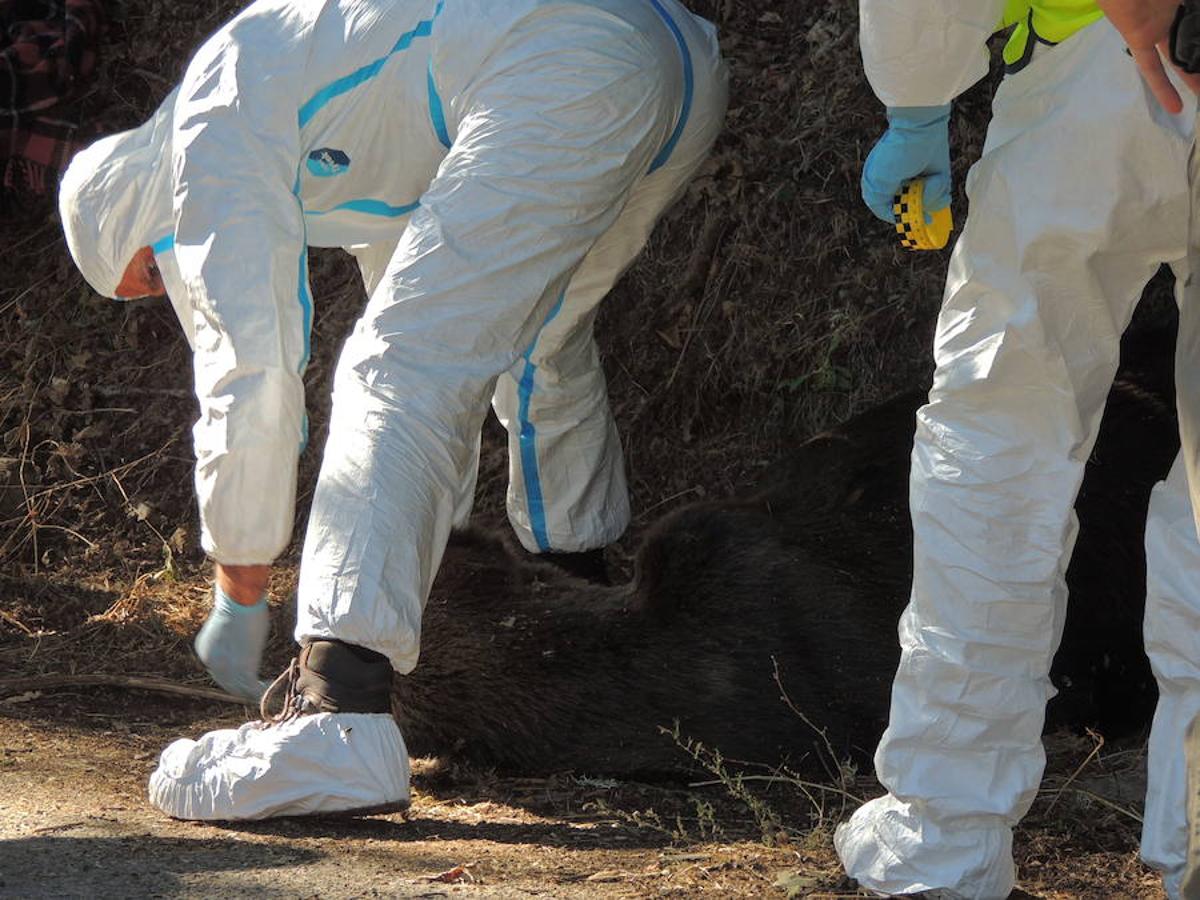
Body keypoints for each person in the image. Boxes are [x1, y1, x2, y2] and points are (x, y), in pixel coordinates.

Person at [57, 0, 727, 820]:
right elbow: (440, 332)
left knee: (388, 364)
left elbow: (249, 366)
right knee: (535, 339)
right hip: (667, 63)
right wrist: (423, 549)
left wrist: (239, 574)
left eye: (150, 276)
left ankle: (339, 708)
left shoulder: (209, 129)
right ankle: (573, 591)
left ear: (132, 210)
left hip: (555, 58)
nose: (169, 288)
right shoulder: (336, 102)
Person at [836, 0, 1200, 897]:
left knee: (1000, 434)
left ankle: (943, 837)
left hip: (1095, 71)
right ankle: (1194, 828)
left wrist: (915, 99)